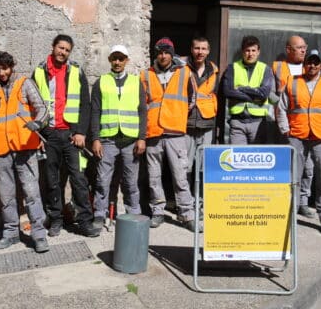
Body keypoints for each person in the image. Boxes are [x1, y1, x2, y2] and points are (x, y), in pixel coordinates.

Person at [0, 51, 49, 253]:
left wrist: (38, 123)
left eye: (4, 68)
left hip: (25, 148)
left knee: (32, 193)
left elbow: (42, 108)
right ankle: (10, 234)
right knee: (6, 196)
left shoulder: (25, 83)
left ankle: (39, 236)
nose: (1, 73)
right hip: (3, 149)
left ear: (11, 66)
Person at [32, 34, 100, 237]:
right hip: (49, 135)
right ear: (53, 47)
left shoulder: (76, 71)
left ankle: (85, 222)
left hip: (72, 136)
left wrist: (80, 132)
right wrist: (38, 135)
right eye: (60, 48)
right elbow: (31, 104)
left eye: (67, 50)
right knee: (52, 181)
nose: (63, 52)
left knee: (79, 179)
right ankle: (56, 220)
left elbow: (85, 105)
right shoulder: (39, 72)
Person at [276, 49, 321, 235]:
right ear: (304, 64)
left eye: (316, 62)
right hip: (297, 136)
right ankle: (287, 219)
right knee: (293, 178)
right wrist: (285, 129)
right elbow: (281, 108)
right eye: (309, 62)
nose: (312, 66)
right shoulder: (292, 82)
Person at [141, 37, 197, 231]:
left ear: (172, 54)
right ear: (155, 54)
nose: (163, 55)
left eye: (166, 52)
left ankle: (186, 213)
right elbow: (142, 103)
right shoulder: (146, 75)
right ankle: (157, 211)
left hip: (175, 132)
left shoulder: (185, 72)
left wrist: (177, 115)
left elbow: (192, 99)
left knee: (180, 176)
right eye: (160, 52)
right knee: (154, 176)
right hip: (153, 132)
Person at [90, 44, 146, 230]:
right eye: (114, 58)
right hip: (108, 139)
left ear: (126, 61)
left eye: (121, 58)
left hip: (130, 140)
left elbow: (142, 112)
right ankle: (99, 214)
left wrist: (142, 138)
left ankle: (133, 214)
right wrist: (95, 138)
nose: (117, 62)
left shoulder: (136, 82)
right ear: (109, 60)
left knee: (131, 181)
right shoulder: (101, 82)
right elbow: (95, 111)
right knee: (102, 180)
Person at [273, 36, 316, 219]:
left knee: (308, 167)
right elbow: (270, 92)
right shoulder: (277, 67)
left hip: (307, 126)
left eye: (304, 47)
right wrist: (283, 103)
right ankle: (288, 203)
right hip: (284, 126)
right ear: (288, 49)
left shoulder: (312, 66)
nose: (303, 51)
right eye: (299, 47)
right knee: (288, 168)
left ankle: (303, 203)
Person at [222, 35, 275, 144]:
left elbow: (264, 94)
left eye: (253, 50)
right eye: (247, 50)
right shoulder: (232, 68)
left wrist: (242, 89)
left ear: (258, 51)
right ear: (242, 51)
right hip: (237, 122)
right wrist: (254, 96)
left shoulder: (265, 69)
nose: (250, 54)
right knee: (238, 158)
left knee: (257, 159)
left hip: (258, 123)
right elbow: (227, 91)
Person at [186, 37, 218, 201]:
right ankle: (186, 200)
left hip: (207, 122)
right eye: (197, 48)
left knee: (203, 164)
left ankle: (199, 198)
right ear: (191, 50)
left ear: (208, 51)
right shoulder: (183, 68)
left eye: (204, 49)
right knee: (186, 165)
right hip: (186, 122)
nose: (200, 52)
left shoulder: (213, 70)